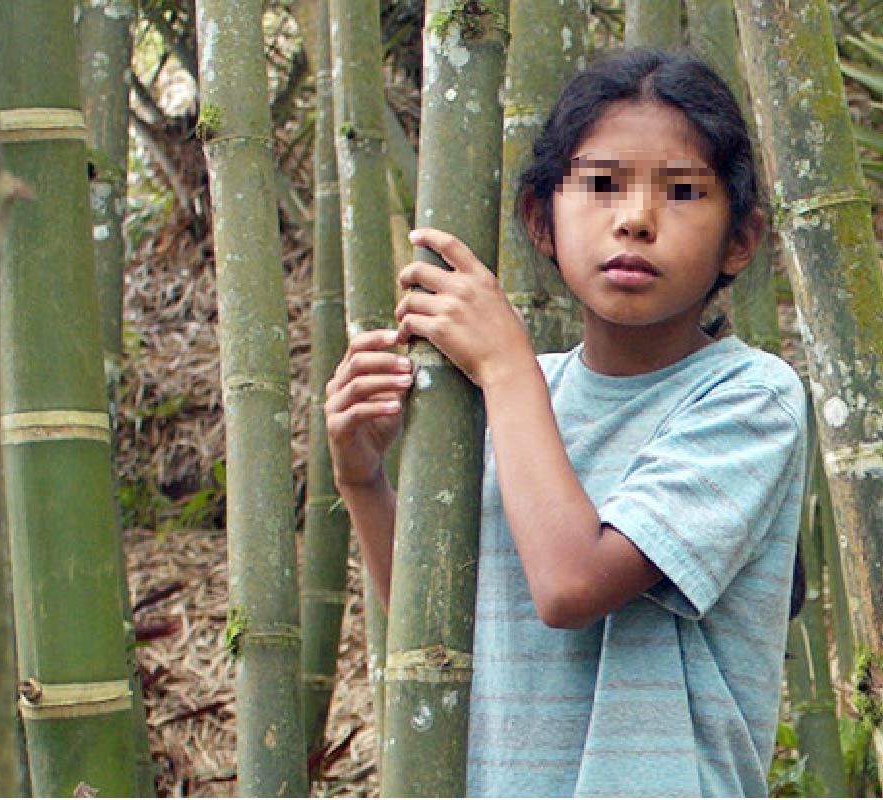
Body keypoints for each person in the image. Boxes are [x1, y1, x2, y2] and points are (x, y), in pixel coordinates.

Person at [324, 49, 808, 797]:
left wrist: (504, 366)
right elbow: (441, 627)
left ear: (739, 241)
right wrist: (362, 479)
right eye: (602, 185)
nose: (636, 219)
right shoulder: (511, 393)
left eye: (682, 191)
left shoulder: (751, 397)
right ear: (540, 220)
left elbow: (571, 586)